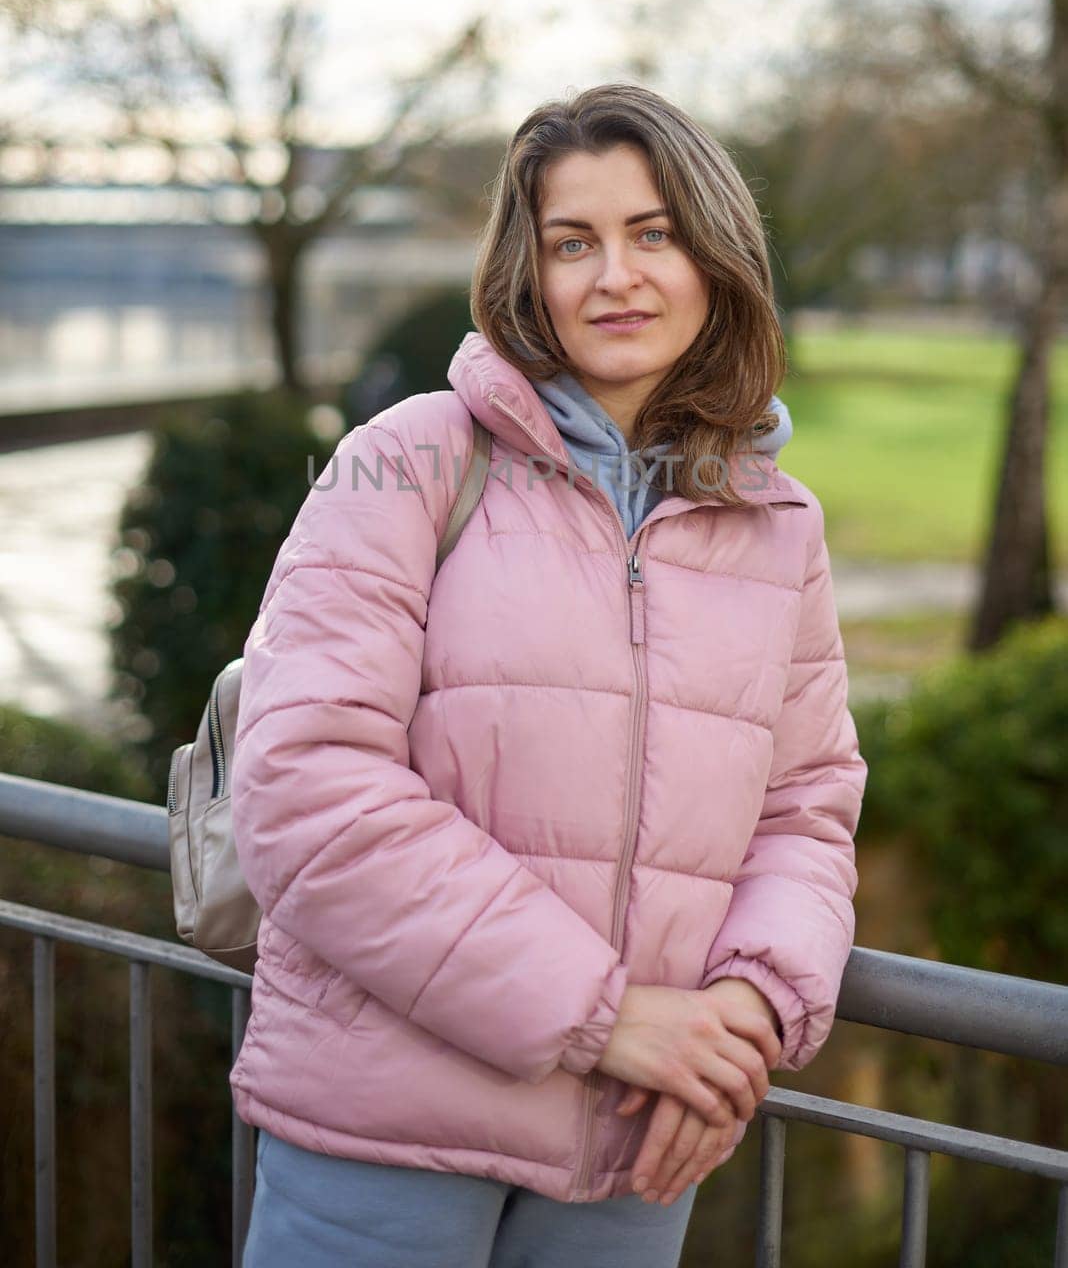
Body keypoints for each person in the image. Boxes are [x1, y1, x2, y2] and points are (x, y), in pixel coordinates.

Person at [231, 82, 868, 1267]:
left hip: (632, 1163)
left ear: (715, 257)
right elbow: (303, 786)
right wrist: (606, 1015)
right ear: (529, 274)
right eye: (573, 242)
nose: (614, 275)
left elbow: (808, 807)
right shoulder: (409, 458)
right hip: (389, 1134)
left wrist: (749, 1008)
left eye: (653, 233)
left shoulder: (781, 522)